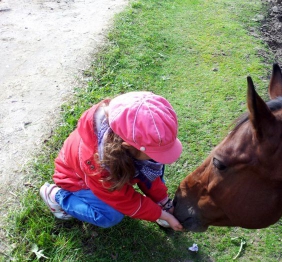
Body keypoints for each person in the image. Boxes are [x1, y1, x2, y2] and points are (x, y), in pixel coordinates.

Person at [39, 91, 183, 231]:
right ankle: (55, 196)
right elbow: (124, 200)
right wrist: (161, 215)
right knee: (110, 216)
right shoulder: (99, 166)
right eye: (154, 155)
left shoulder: (128, 138)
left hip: (115, 169)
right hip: (75, 179)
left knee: (151, 167)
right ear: (128, 147)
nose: (159, 160)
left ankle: (155, 203)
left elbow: (150, 175)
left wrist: (162, 201)